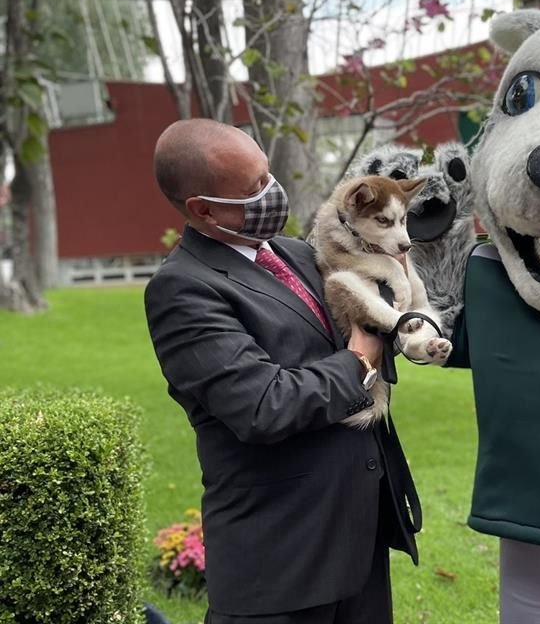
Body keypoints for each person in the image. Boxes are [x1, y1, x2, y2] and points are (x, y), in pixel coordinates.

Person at [144, 118, 420, 624]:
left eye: (268, 175)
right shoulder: (183, 289)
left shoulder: (294, 253)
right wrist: (360, 356)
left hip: (355, 534)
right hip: (280, 557)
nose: (272, 193)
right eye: (253, 189)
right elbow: (262, 406)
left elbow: (370, 327)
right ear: (203, 209)